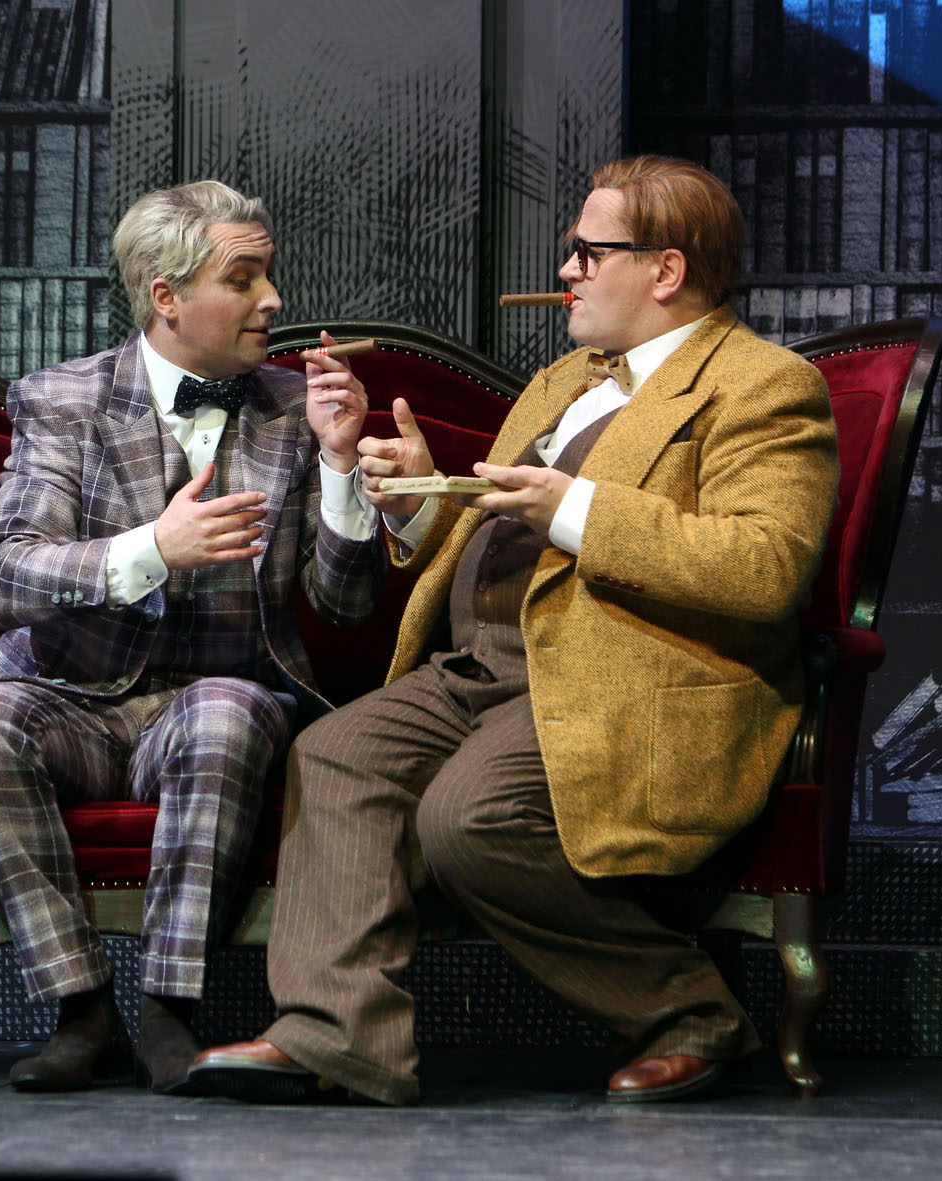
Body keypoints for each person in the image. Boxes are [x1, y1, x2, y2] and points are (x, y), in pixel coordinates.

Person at [188, 155, 840, 1105]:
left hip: (625, 677)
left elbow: (765, 565)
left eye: (589, 252)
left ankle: (690, 1010)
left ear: (665, 269)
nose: (568, 270)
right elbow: (496, 532)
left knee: (472, 818)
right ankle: (336, 1035)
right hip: (483, 668)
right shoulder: (562, 380)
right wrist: (416, 497)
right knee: (336, 752)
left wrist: (573, 507)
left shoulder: (763, 386)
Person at [0, 179, 387, 1095]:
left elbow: (345, 604)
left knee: (226, 714)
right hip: (65, 693)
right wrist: (150, 549)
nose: (273, 299)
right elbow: (5, 575)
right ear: (166, 295)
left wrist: (342, 463)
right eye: (243, 279)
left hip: (213, 694)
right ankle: (82, 1009)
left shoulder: (295, 411)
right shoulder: (63, 400)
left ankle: (170, 1010)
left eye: (269, 274)